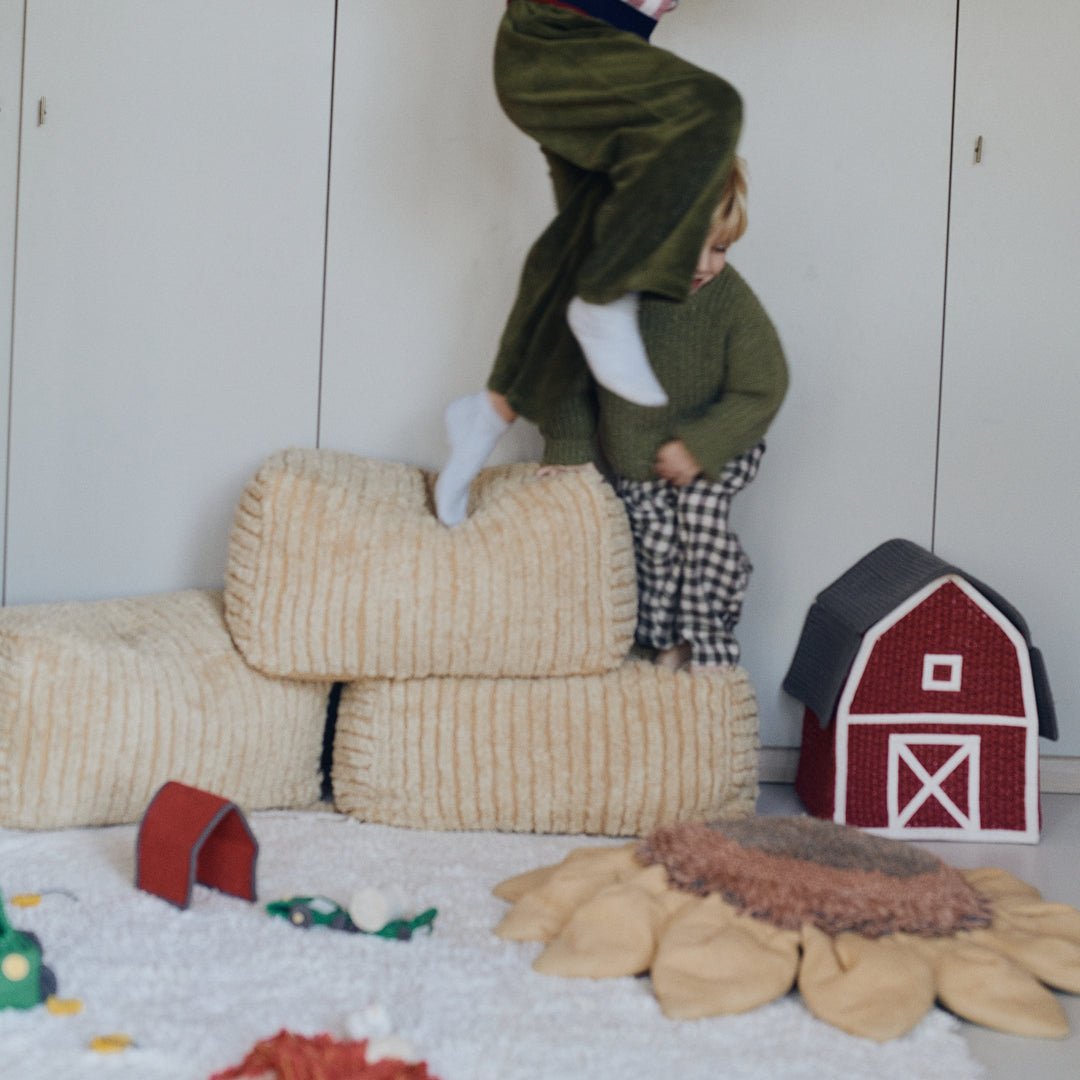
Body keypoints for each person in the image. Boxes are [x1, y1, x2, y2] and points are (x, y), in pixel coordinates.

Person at [435, 0, 743, 527]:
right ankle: (606, 297)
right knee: (711, 108)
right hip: (554, 36)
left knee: (586, 236)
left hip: (604, 46)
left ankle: (488, 414)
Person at [592, 157, 789, 670]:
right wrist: (567, 448)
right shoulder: (612, 292)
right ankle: (660, 643)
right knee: (654, 549)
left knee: (700, 528)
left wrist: (701, 446)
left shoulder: (729, 299)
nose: (705, 265)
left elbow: (764, 387)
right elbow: (567, 374)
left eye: (720, 249)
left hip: (716, 446)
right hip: (639, 458)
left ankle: (707, 643)